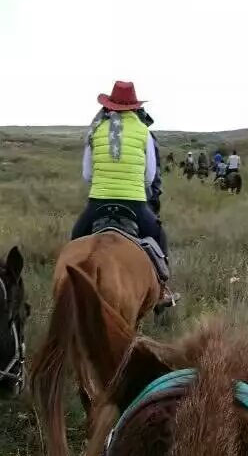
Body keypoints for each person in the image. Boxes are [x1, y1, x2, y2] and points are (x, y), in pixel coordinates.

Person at [71, 80, 176, 308]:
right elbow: (149, 177)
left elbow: (87, 174)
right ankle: (163, 290)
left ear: (109, 104)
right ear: (134, 106)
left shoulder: (95, 129)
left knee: (75, 238)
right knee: (158, 236)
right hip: (135, 204)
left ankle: (69, 284)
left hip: (98, 202)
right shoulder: (143, 131)